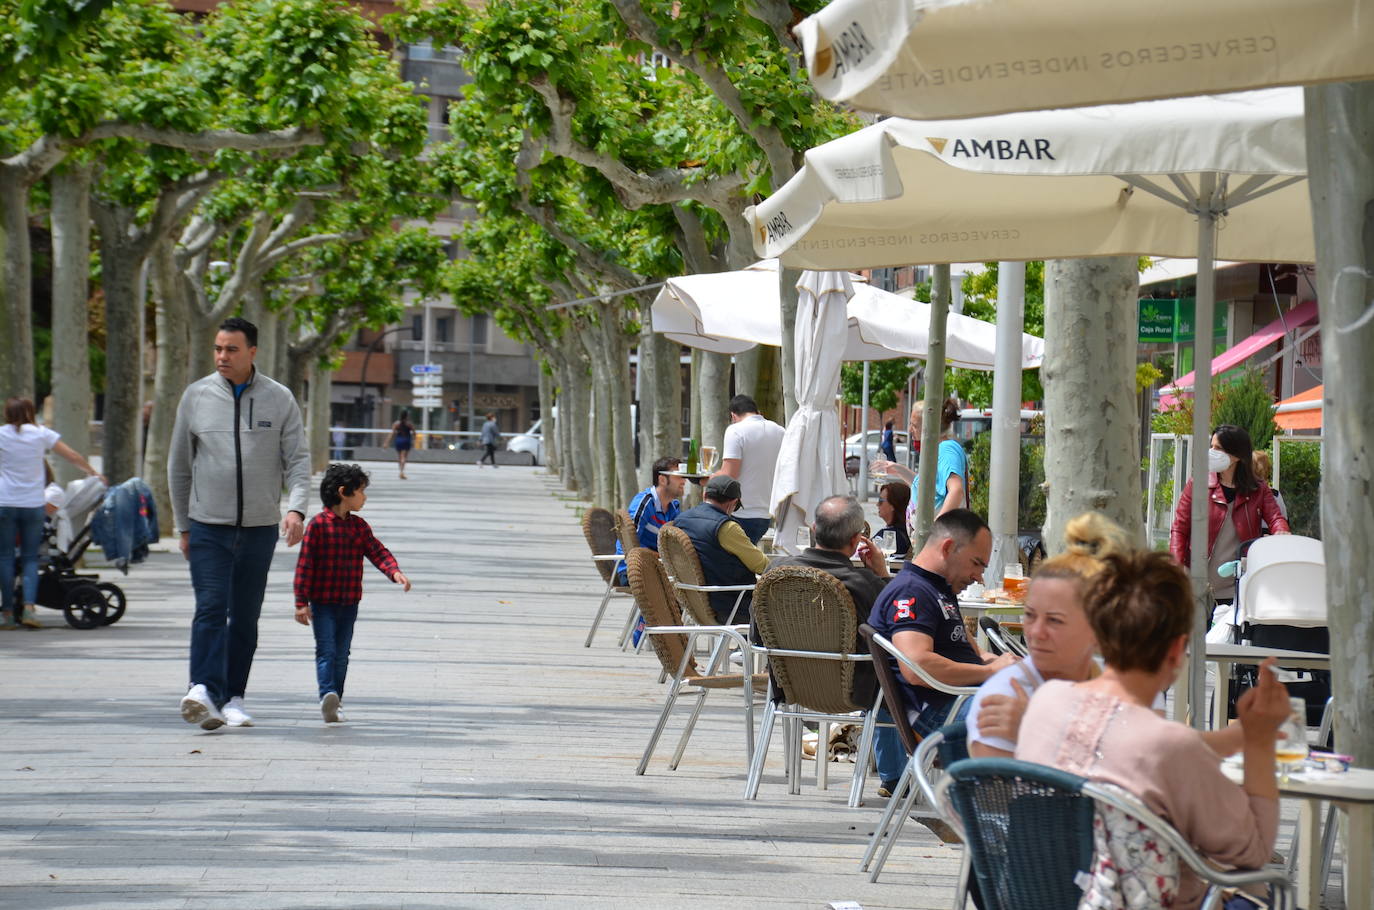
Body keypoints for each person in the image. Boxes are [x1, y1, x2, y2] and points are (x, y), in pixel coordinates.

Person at [1015, 549, 1292, 910]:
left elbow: (1126, 746)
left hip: (1043, 897)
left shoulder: (1045, 701)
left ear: (1098, 634)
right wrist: (1258, 742)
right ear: (1178, 649)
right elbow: (1252, 855)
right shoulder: (1168, 746)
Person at [169, 316, 312, 730]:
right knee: (211, 607)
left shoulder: (279, 398)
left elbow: (298, 461)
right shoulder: (195, 397)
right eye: (217, 348)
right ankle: (201, 689)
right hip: (207, 526)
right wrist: (183, 527)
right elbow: (178, 467)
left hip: (258, 528)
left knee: (245, 616)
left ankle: (233, 697)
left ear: (252, 351)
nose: (221, 357)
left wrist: (296, 508)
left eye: (231, 349)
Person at [867, 509, 1017, 795]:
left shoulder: (938, 589)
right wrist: (989, 672)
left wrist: (1005, 665)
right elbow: (916, 665)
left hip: (960, 705)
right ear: (948, 547)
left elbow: (974, 652)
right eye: (976, 564)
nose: (979, 576)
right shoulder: (912, 592)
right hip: (941, 719)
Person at [293, 463, 411, 724]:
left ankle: (336, 701)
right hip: (322, 603)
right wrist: (301, 603)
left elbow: (377, 551)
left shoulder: (358, 527)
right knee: (326, 650)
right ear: (344, 492)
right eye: (361, 491)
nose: (365, 497)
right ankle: (327, 694)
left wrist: (394, 572)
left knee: (342, 652)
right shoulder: (318, 526)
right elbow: (305, 566)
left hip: (349, 603)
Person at [769, 495, 890, 706]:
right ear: (855, 540)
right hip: (854, 693)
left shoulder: (776, 572)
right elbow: (894, 629)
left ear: (814, 529)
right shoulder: (864, 584)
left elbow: (757, 634)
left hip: (788, 686)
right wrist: (882, 575)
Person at [1, 397, 103, 630]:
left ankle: (6, 613)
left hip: (5, 501)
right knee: (29, 558)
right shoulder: (40, 433)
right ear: (29, 412)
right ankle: (29, 609)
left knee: (5, 557)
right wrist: (93, 473)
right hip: (33, 503)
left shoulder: (2, 433)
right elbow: (72, 456)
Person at [1169, 424, 1289, 606]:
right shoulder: (1198, 484)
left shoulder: (1258, 489)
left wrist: (1281, 530)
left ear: (1237, 455)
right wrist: (1177, 566)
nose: (1211, 451)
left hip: (1237, 586)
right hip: (1198, 583)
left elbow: (1275, 517)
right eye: (1211, 446)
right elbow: (1179, 528)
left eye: (1218, 448)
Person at [672, 474, 769, 623]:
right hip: (731, 605)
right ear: (733, 503)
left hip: (694, 601)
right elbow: (762, 565)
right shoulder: (727, 527)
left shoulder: (680, 520)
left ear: (705, 495)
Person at [870, 398, 967, 524]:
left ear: (930, 427)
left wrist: (934, 530)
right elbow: (926, 488)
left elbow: (956, 491)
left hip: (941, 538)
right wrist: (898, 469)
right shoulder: (937, 450)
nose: (910, 430)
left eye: (914, 425)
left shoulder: (946, 449)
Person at [718, 394, 784, 543]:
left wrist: (707, 479)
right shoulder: (780, 431)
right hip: (766, 515)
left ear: (733, 415)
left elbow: (728, 476)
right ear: (758, 412)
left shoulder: (735, 430)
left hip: (739, 513)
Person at [614, 456, 684, 584]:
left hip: (658, 568)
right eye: (678, 476)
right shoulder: (644, 503)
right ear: (662, 479)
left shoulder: (674, 507)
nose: (684, 481)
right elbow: (629, 543)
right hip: (631, 569)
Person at [876, 481, 911, 558]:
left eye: (881, 501)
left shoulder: (889, 535)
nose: (877, 504)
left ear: (893, 506)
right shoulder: (909, 533)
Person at [383, 412, 414, 479]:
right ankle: (402, 472)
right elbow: (414, 433)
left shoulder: (396, 424)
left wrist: (386, 443)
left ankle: (401, 471)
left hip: (398, 440)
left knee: (400, 457)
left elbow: (391, 434)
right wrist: (413, 438)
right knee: (404, 457)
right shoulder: (409, 424)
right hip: (406, 440)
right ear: (407, 416)